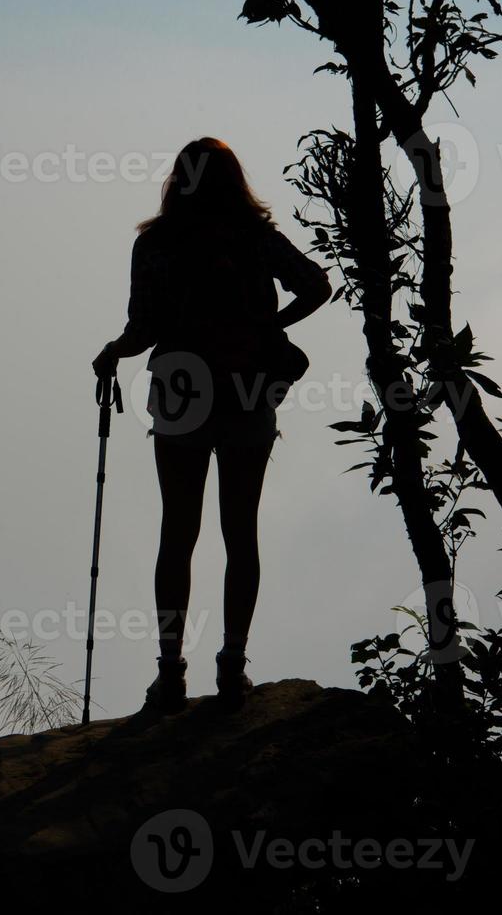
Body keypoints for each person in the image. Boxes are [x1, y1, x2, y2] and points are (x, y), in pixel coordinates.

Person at [92, 138, 330, 715]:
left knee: (178, 530)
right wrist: (266, 325)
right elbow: (318, 286)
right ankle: (232, 665)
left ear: (178, 180)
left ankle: (170, 671)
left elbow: (143, 325)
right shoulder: (256, 238)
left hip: (179, 385)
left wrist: (113, 353)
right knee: (239, 531)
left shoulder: (156, 244)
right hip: (248, 384)